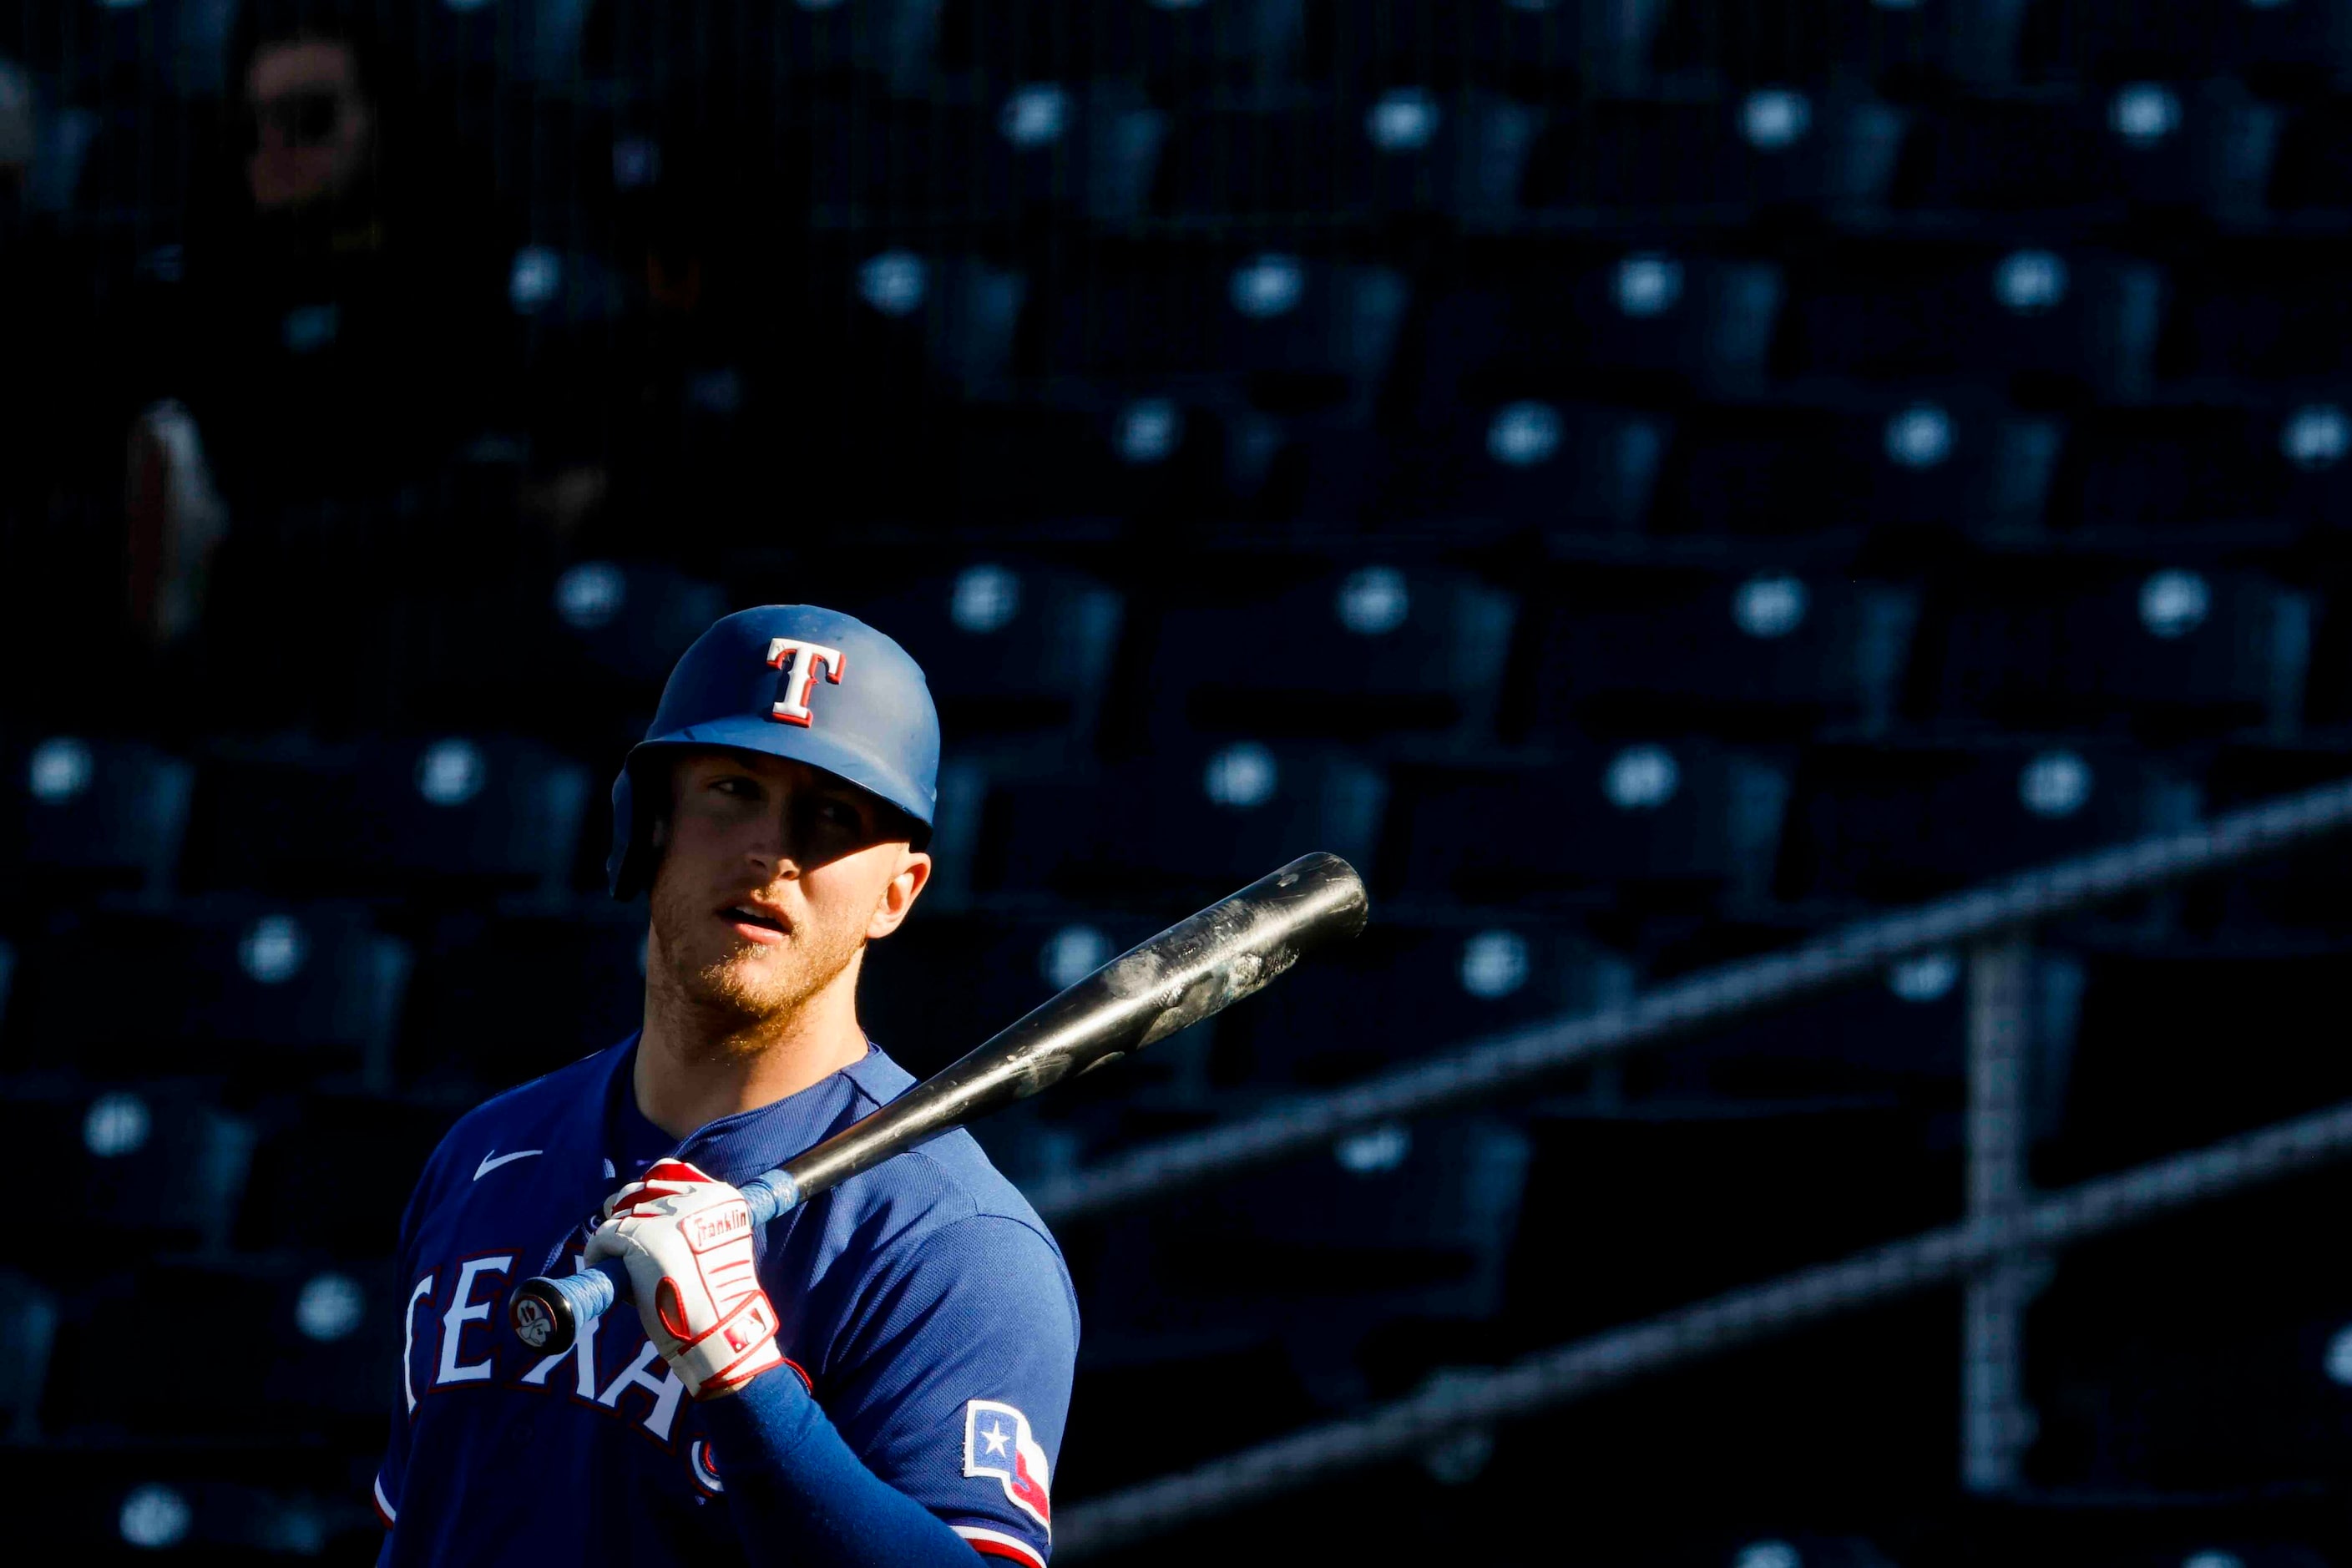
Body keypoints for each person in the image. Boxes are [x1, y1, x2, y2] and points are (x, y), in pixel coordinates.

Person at [372, 605, 1077, 1568]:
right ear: (651, 825)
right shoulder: (489, 1152)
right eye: (735, 788)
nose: (771, 852)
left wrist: (748, 1380)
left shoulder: (951, 1241)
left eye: (833, 817)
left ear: (898, 893)